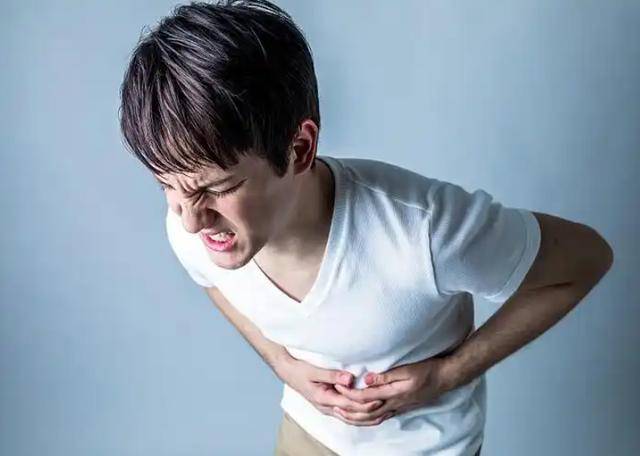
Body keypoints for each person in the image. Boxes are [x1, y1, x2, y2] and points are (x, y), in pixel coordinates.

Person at [118, 1, 614, 455]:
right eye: (167, 185)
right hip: (307, 434)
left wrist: (449, 373)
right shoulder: (191, 225)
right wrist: (281, 363)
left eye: (218, 189)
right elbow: (211, 278)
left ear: (299, 150)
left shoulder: (423, 230)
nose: (190, 218)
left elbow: (586, 259)